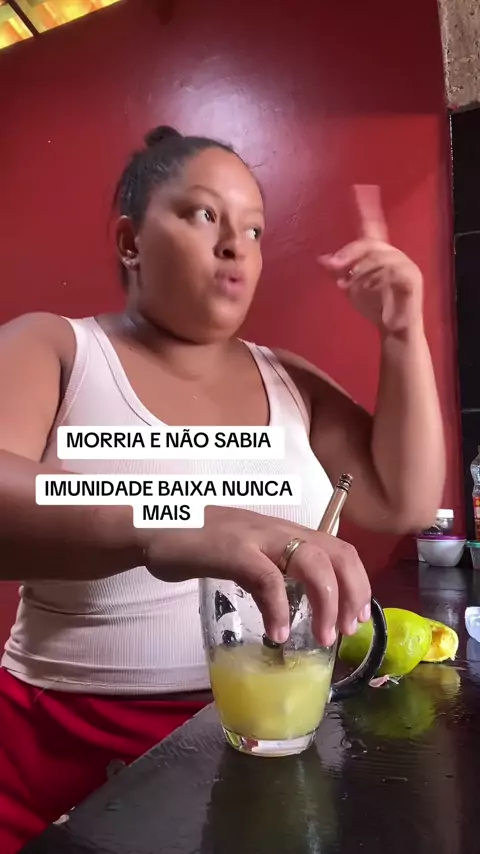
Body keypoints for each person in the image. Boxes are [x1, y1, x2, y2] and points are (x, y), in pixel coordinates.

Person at [0, 125, 444, 852]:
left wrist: (402, 335)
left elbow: (403, 499)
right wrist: (173, 521)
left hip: (272, 749)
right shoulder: (57, 349)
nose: (236, 244)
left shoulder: (288, 379)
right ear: (130, 241)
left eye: (255, 229)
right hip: (64, 772)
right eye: (204, 214)